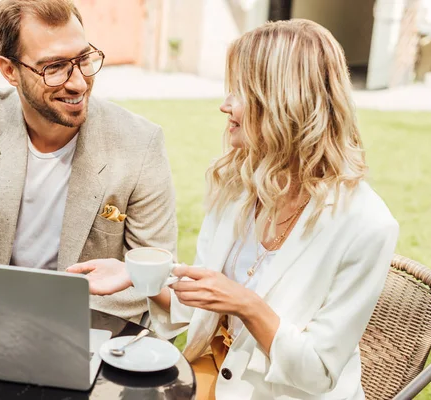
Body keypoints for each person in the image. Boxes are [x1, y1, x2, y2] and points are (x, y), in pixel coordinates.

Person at [67, 19, 399, 399]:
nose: (225, 105)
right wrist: (137, 276)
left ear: (283, 102)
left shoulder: (367, 226)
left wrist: (246, 305)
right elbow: (199, 308)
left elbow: (318, 372)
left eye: (239, 92)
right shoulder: (240, 185)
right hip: (205, 376)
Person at [0, 0, 177, 321]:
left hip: (89, 324)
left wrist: (52, 324)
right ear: (10, 71)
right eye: (54, 67)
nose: (78, 82)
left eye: (83, 59)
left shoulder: (139, 142)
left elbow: (155, 269)